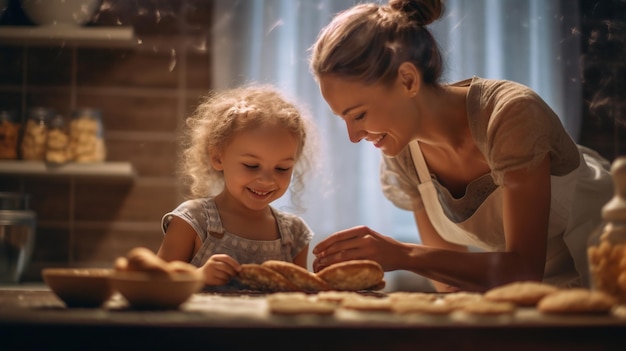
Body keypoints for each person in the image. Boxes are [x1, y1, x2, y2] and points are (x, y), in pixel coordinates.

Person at [309, 0, 614, 292]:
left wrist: (402, 255)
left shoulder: (510, 116)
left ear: (407, 80)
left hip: (608, 272)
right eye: (343, 119)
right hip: (528, 299)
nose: (353, 136)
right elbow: (449, 282)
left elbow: (524, 269)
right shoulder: (401, 152)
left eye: (359, 114)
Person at [157, 84, 318, 287]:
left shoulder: (294, 235)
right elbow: (154, 282)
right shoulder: (194, 221)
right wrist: (197, 277)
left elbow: (299, 299)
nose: (267, 180)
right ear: (217, 158)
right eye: (251, 166)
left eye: (282, 168)